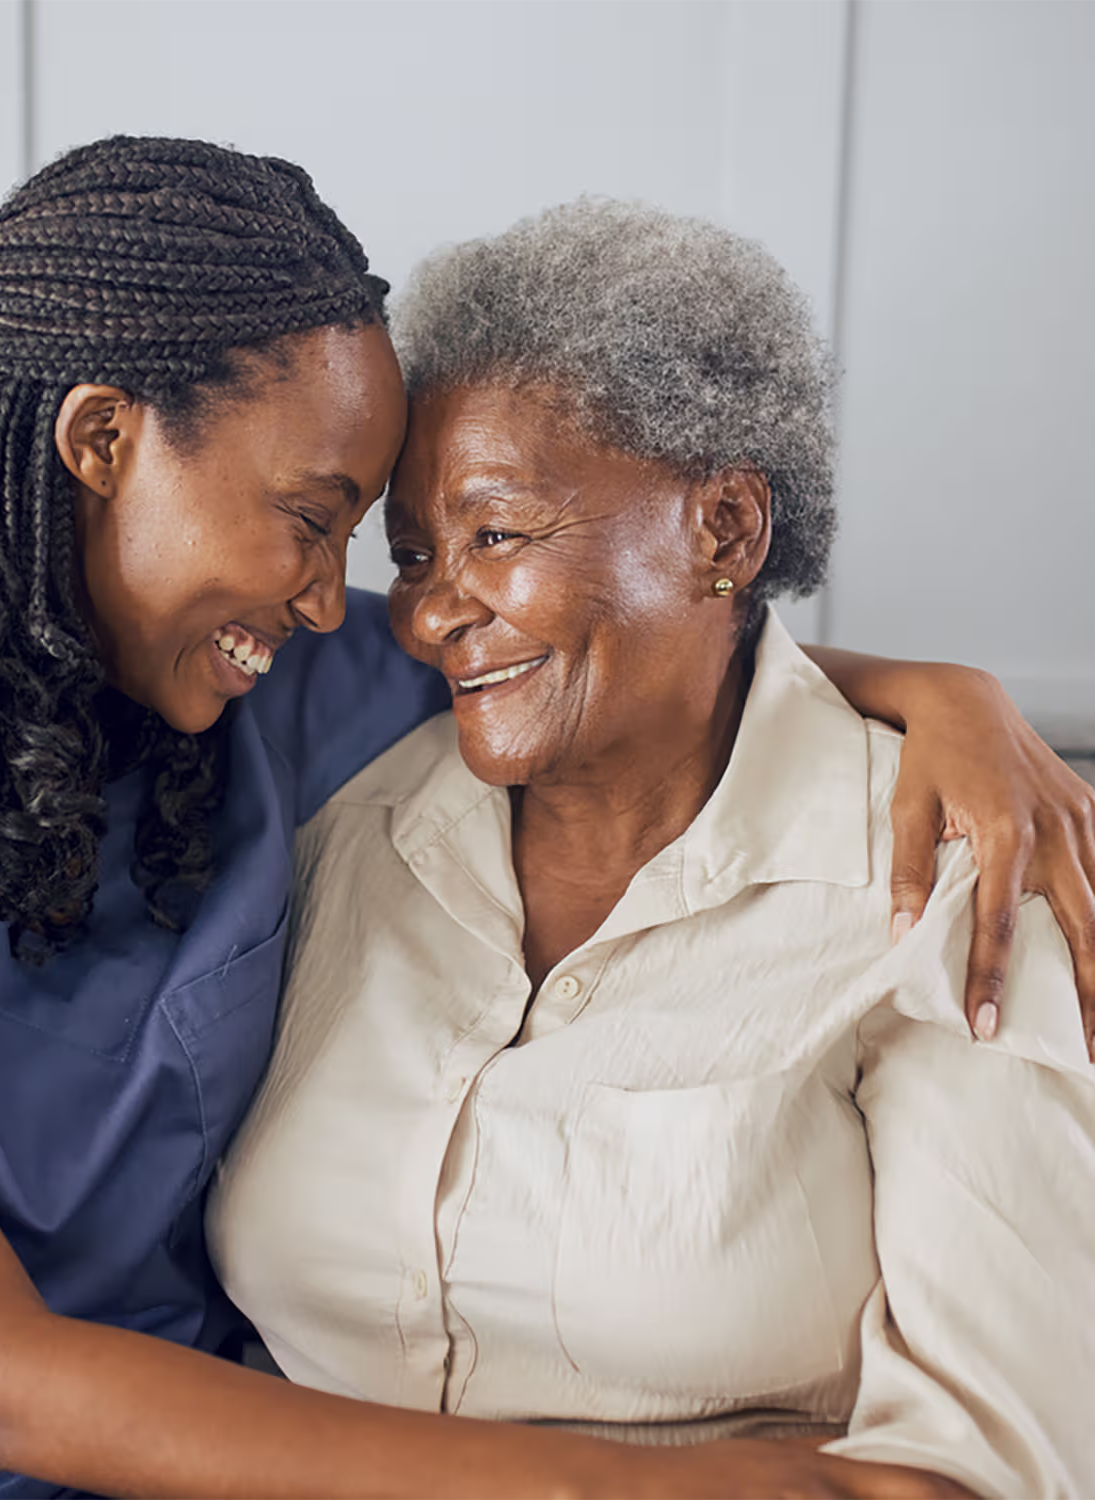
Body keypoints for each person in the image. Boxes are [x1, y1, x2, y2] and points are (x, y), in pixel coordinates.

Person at [0, 140, 1094, 1500]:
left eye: (392, 542)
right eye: (319, 522)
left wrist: (941, 692)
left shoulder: (258, 693)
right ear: (104, 440)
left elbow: (602, 655)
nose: (352, 603)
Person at [206, 198, 1095, 1498]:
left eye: (496, 533)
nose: (436, 611)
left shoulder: (951, 875)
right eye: (413, 555)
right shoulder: (351, 834)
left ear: (726, 532)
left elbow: (991, 1470)